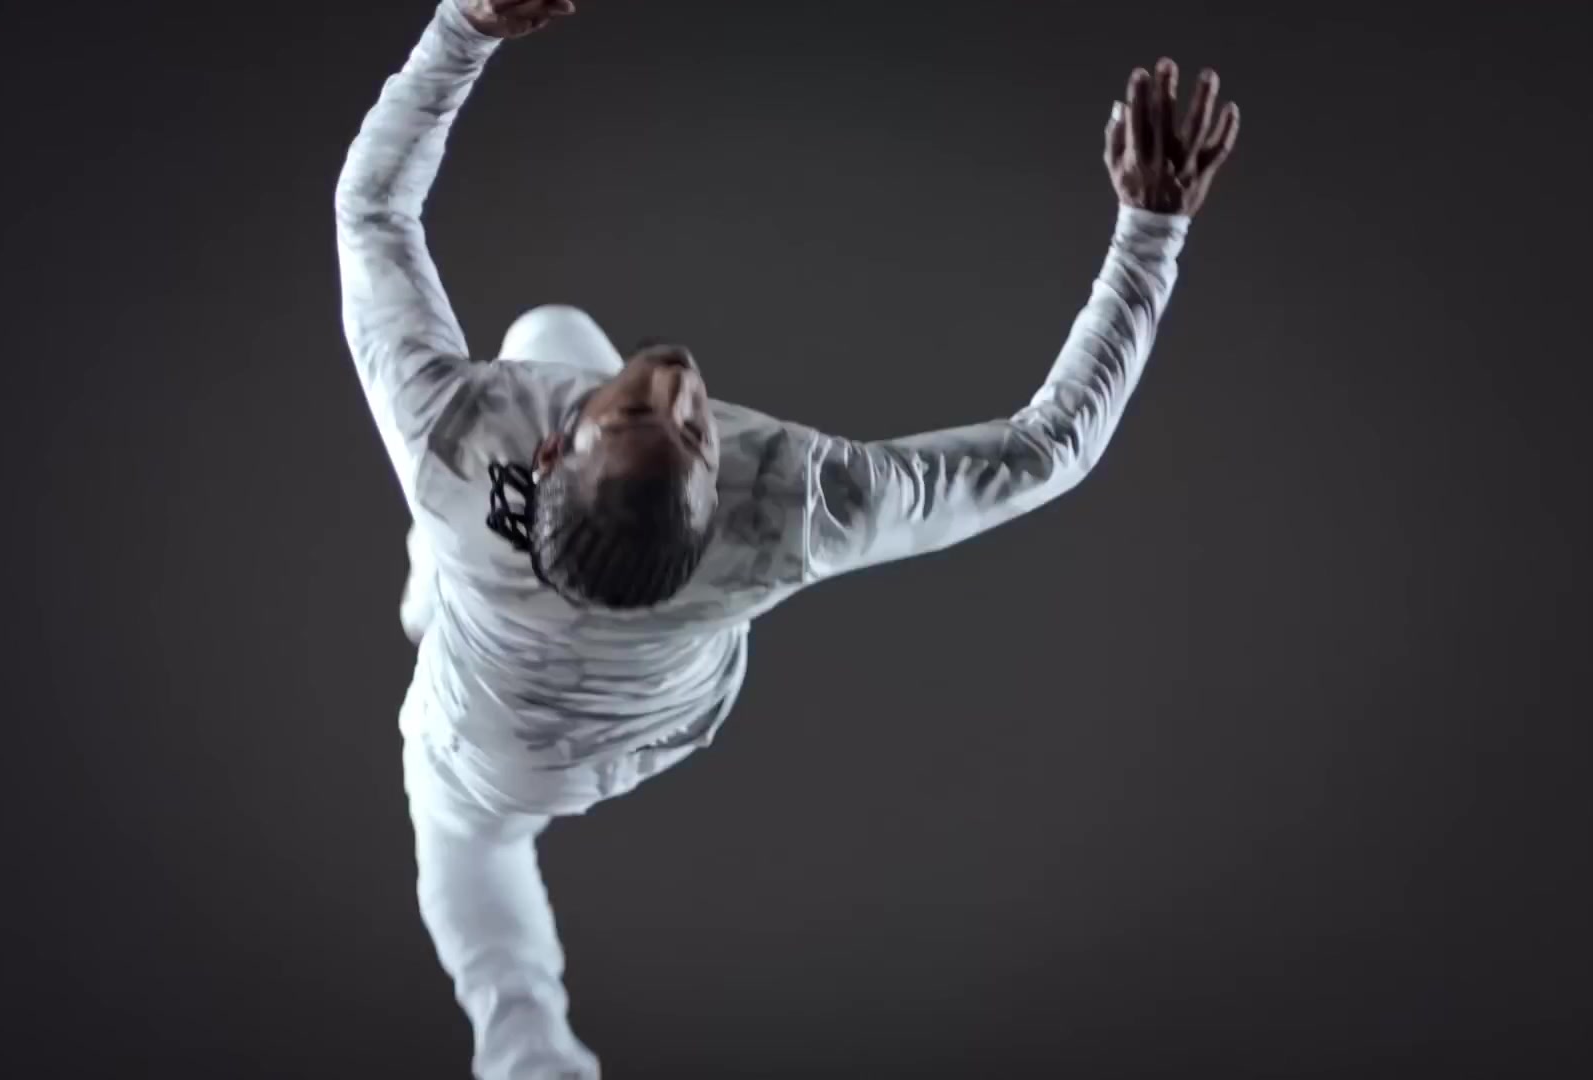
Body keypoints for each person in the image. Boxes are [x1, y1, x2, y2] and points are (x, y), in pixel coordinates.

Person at [334, 0, 1241, 1075]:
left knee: (467, 840)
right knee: (552, 335)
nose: (677, 388)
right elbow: (1046, 451)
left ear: (546, 451)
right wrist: (1149, 233)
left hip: (500, 748)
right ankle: (438, 604)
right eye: (686, 430)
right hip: (639, 721)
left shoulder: (451, 439)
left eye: (656, 418)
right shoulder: (789, 507)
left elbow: (373, 210)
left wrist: (463, 26)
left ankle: (527, 1050)